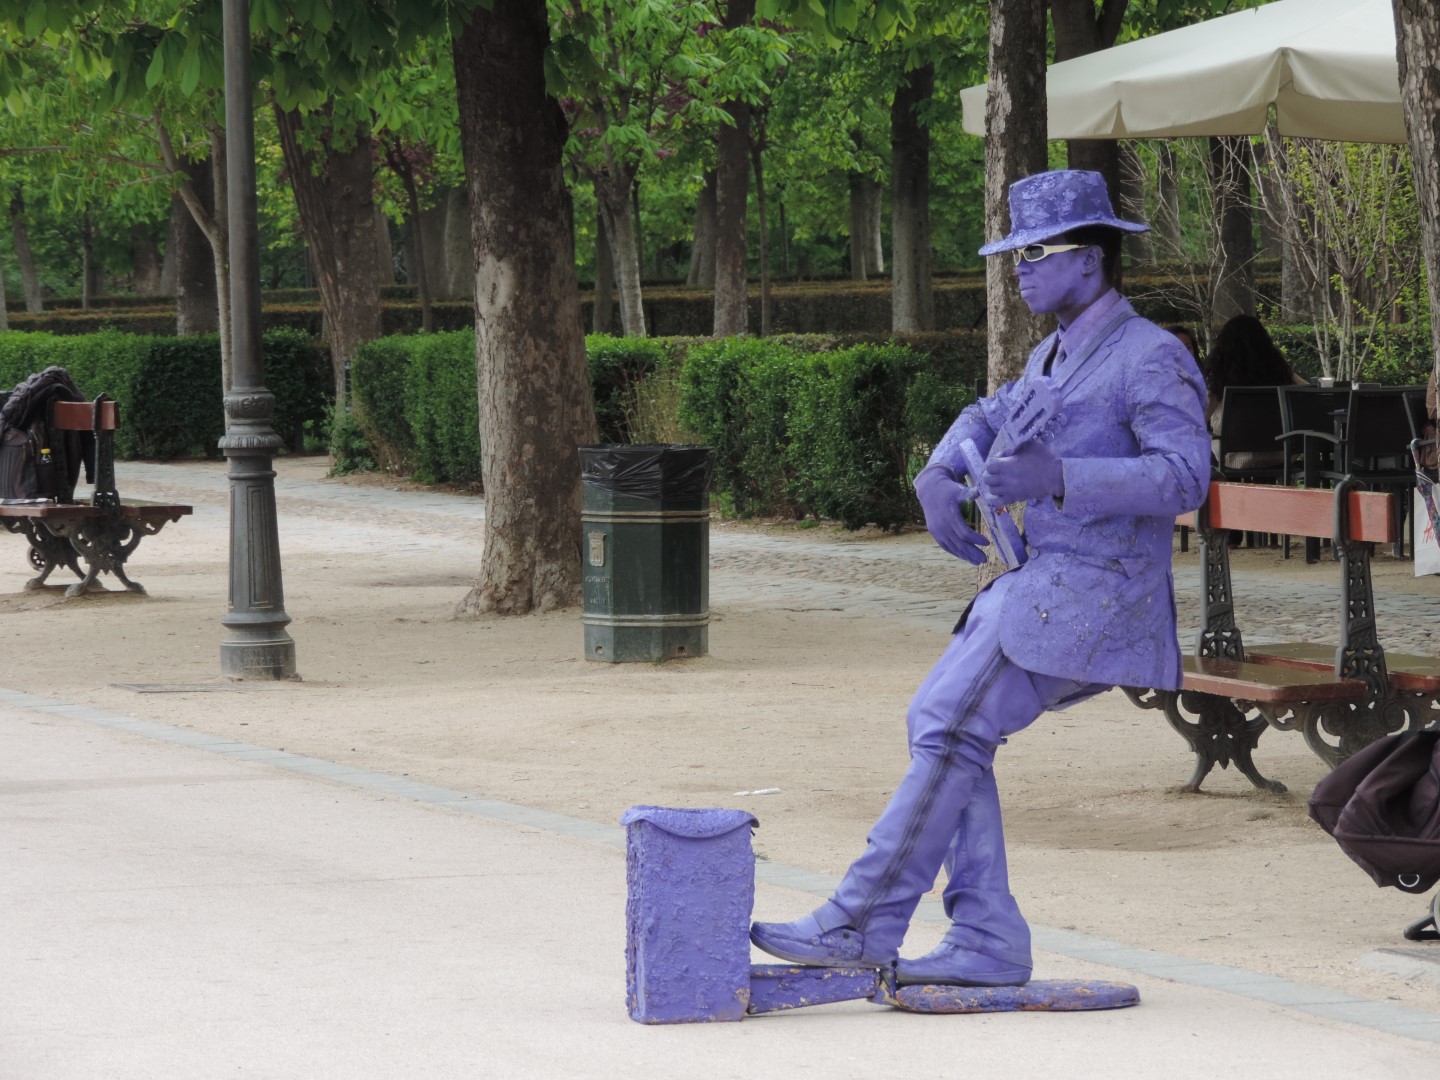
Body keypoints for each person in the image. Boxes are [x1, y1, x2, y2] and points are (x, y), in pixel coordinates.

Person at [749, 169, 1212, 987]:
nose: (1017, 269)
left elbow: (1185, 478)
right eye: (1013, 254)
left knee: (950, 723)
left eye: (1035, 252)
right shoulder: (1052, 352)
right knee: (939, 722)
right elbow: (988, 414)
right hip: (1039, 591)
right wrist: (937, 472)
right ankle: (986, 935)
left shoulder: (1151, 356)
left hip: (1099, 597)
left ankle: (864, 922)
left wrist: (1059, 477)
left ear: (1091, 259)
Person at [1203, 314, 1307, 470]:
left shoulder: (1219, 375)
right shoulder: (1277, 369)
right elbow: (1307, 391)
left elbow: (1203, 414)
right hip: (1281, 453)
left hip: (1232, 457)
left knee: (1206, 447)